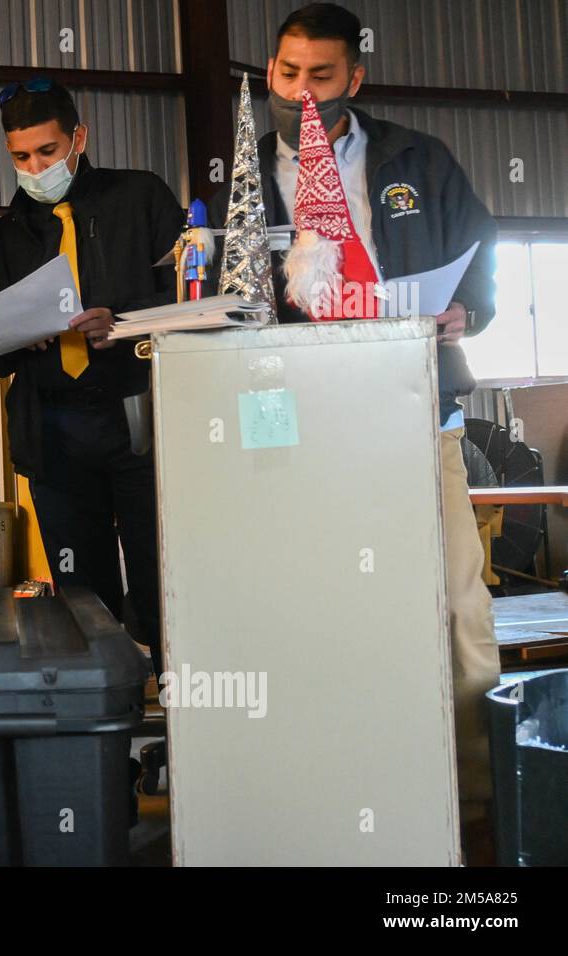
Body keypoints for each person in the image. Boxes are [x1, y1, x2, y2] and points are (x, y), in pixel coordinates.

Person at [206, 1, 502, 862]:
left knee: (454, 606)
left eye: (323, 76)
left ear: (356, 78)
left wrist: (465, 311)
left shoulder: (419, 159)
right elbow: (232, 298)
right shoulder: (249, 174)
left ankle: (476, 804)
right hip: (296, 432)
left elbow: (477, 257)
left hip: (414, 417)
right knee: (313, 610)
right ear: (271, 73)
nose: (303, 90)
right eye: (289, 73)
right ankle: (332, 794)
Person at [0, 77, 183, 672]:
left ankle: (183, 703)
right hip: (54, 436)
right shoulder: (3, 239)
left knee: (161, 576)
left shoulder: (140, 199)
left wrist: (125, 322)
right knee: (81, 596)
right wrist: (18, 334)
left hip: (140, 424)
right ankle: (103, 711)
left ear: (79, 139)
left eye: (47, 151)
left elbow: (193, 296)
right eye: (20, 156)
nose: (35, 167)